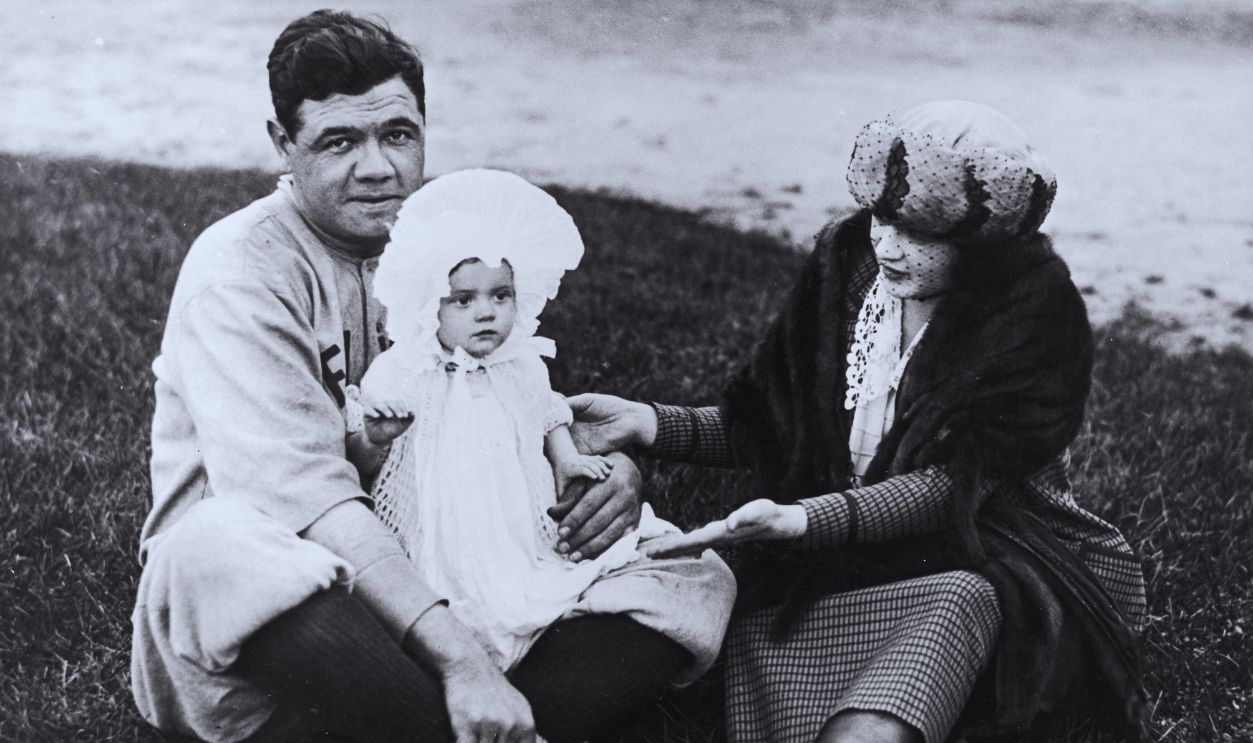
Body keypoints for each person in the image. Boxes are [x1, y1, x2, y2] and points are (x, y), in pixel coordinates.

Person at [130, 11, 733, 743]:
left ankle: (468, 719)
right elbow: (309, 503)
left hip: (444, 550)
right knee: (215, 547)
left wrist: (611, 480)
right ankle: (482, 703)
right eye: (339, 141)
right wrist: (460, 661)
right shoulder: (240, 271)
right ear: (282, 144)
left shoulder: (439, 243)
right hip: (300, 590)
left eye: (398, 134)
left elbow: (512, 402)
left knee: (690, 567)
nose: (379, 167)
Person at [569, 101, 1149, 742]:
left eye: (920, 235)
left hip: (992, 555)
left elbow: (952, 488)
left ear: (982, 248)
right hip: (848, 558)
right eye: (880, 218)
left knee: (959, 601)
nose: (887, 245)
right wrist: (647, 424)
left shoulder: (1035, 316)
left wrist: (804, 518)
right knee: (753, 614)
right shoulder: (847, 270)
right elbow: (770, 424)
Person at [347, 168, 689, 671]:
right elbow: (363, 456)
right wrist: (376, 434)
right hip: (440, 511)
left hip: (510, 505)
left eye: (500, 295)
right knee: (445, 574)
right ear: (428, 307)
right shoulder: (404, 369)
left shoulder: (520, 363)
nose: (487, 314)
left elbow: (547, 417)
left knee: (525, 565)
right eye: (464, 300)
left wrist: (568, 460)